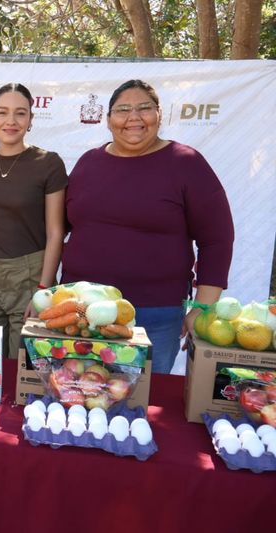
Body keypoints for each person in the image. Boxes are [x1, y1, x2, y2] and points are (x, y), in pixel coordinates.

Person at [61, 79, 234, 374]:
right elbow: (62, 227)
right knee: (77, 394)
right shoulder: (88, 162)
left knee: (144, 404)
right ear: (108, 120)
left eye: (145, 108)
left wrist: (202, 309)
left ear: (159, 115)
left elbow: (217, 239)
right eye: (123, 110)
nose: (134, 118)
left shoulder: (186, 163)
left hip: (155, 315)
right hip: (80, 312)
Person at [0, 83, 67, 359]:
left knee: (23, 361)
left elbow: (55, 232)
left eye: (20, 113)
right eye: (2, 112)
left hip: (30, 273)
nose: (10, 121)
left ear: (31, 120)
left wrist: (43, 291)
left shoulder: (48, 163)